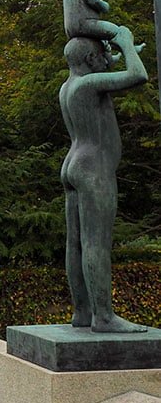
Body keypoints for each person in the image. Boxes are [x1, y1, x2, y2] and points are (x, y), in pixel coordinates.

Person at [59, 26, 148, 332]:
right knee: (96, 243)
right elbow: (138, 75)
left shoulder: (68, 86)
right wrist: (125, 43)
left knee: (76, 244)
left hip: (73, 163)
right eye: (102, 54)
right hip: (94, 168)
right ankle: (105, 317)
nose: (106, 58)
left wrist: (122, 51)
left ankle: (82, 312)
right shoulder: (89, 84)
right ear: (88, 57)